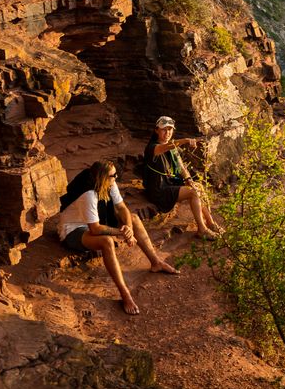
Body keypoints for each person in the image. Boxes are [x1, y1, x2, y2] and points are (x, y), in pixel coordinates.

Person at [58, 159, 177, 315]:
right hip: (73, 230)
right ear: (101, 178)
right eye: (113, 175)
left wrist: (129, 229)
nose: (116, 177)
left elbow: (122, 208)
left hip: (95, 221)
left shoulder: (109, 183)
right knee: (106, 241)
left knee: (133, 218)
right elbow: (95, 229)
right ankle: (124, 292)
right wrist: (121, 233)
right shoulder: (88, 195)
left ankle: (156, 262)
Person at [143, 115, 221, 240]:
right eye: (164, 129)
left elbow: (181, 167)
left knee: (198, 187)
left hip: (170, 184)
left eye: (170, 129)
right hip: (159, 190)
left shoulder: (173, 148)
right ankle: (202, 229)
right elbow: (166, 147)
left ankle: (210, 223)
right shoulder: (153, 148)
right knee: (193, 193)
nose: (167, 132)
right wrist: (184, 140)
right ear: (156, 130)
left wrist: (189, 179)